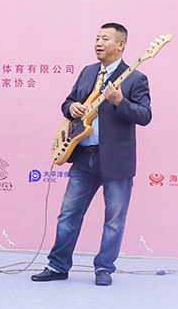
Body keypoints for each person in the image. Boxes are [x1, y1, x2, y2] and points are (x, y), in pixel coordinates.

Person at [32, 23, 152, 286]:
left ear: (121, 44)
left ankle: (104, 269)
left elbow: (145, 115)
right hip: (83, 156)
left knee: (114, 220)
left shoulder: (135, 78)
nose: (98, 43)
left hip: (116, 161)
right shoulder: (88, 72)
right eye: (97, 38)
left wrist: (120, 102)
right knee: (68, 214)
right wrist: (71, 107)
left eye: (105, 39)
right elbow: (67, 101)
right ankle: (57, 265)